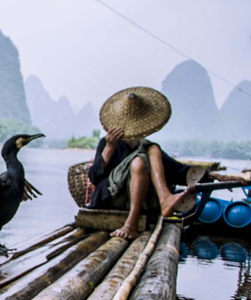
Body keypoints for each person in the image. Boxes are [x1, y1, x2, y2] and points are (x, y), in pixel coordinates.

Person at [87, 87, 247, 240]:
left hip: (141, 203)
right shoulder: (109, 143)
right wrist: (108, 149)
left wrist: (216, 176)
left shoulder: (147, 147)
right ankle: (148, 211)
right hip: (113, 199)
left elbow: (178, 171)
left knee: (147, 153)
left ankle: (162, 201)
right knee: (143, 157)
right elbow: (94, 177)